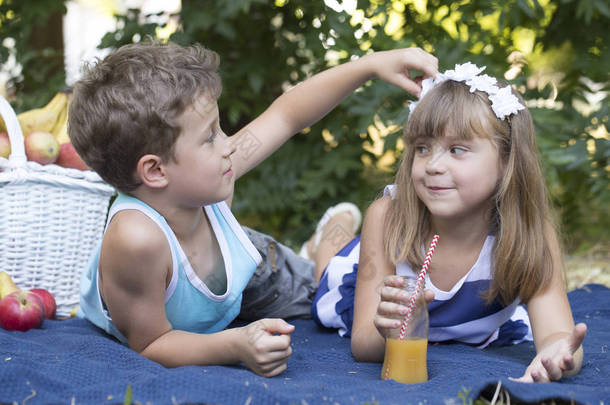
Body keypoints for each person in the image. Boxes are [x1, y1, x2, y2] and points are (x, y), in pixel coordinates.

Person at [69, 41, 438, 377]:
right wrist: (236, 345)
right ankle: (322, 242)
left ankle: (325, 243)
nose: (228, 144)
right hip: (184, 304)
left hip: (251, 269)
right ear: (155, 170)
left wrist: (370, 66)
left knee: (329, 290)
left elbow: (287, 115)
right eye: (210, 136)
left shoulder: (208, 174)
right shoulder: (136, 241)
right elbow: (151, 343)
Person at [311, 62, 587, 382]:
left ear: (506, 160)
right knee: (326, 272)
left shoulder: (528, 235)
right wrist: (387, 329)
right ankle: (329, 229)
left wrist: (558, 355)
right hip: (368, 275)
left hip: (459, 312)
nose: (433, 165)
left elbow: (557, 335)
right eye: (423, 148)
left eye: (457, 149)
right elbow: (363, 344)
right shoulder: (387, 217)